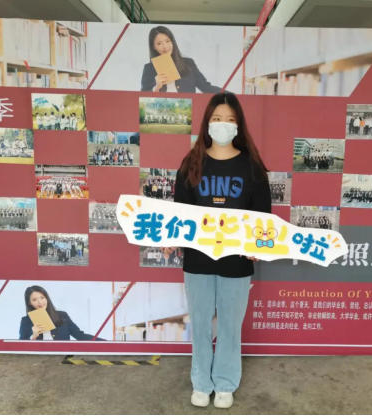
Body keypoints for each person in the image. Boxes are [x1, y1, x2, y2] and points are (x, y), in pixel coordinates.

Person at [163, 92, 271, 409]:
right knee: (199, 323)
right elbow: (180, 213)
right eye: (217, 119)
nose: (223, 125)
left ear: (239, 125)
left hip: (236, 261)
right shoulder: (192, 163)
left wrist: (258, 244)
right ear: (207, 123)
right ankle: (201, 382)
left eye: (230, 120)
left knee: (229, 326)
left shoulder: (252, 167)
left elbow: (262, 216)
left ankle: (224, 383)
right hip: (198, 260)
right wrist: (171, 236)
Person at [141, 26, 222, 94]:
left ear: (172, 42)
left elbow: (206, 87)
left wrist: (228, 95)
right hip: (161, 108)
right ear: (154, 47)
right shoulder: (149, 68)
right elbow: (141, 97)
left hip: (186, 108)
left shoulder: (188, 63)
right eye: (159, 43)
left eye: (167, 41)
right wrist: (156, 88)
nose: (165, 46)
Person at [20, 286, 102, 341]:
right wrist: (33, 336)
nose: (40, 302)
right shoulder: (26, 321)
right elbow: (20, 345)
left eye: (42, 298)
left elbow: (80, 335)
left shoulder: (62, 316)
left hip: (62, 357)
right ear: (29, 303)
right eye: (34, 300)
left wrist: (105, 342)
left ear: (47, 298)